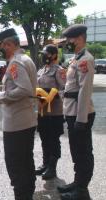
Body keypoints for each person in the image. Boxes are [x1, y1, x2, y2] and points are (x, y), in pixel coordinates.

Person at [0, 28, 37, 200]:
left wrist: (1, 95)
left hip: (17, 123)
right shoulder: (24, 59)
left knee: (16, 164)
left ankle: (22, 195)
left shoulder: (16, 62)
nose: (2, 50)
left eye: (3, 46)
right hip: (25, 120)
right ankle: (26, 194)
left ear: (9, 44)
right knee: (26, 162)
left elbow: (24, 89)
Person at [57, 24, 95, 200]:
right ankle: (77, 182)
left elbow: (84, 91)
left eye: (69, 39)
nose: (67, 42)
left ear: (79, 38)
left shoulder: (86, 59)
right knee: (75, 150)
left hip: (81, 114)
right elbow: (71, 87)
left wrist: (81, 119)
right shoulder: (75, 59)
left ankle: (81, 190)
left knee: (83, 152)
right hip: (72, 112)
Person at [35, 44, 66, 180]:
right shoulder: (41, 70)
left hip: (55, 112)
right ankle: (45, 163)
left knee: (53, 139)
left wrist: (53, 94)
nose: (44, 56)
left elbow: (66, 89)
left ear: (53, 55)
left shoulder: (59, 70)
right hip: (42, 111)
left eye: (46, 53)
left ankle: (52, 167)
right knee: (44, 137)